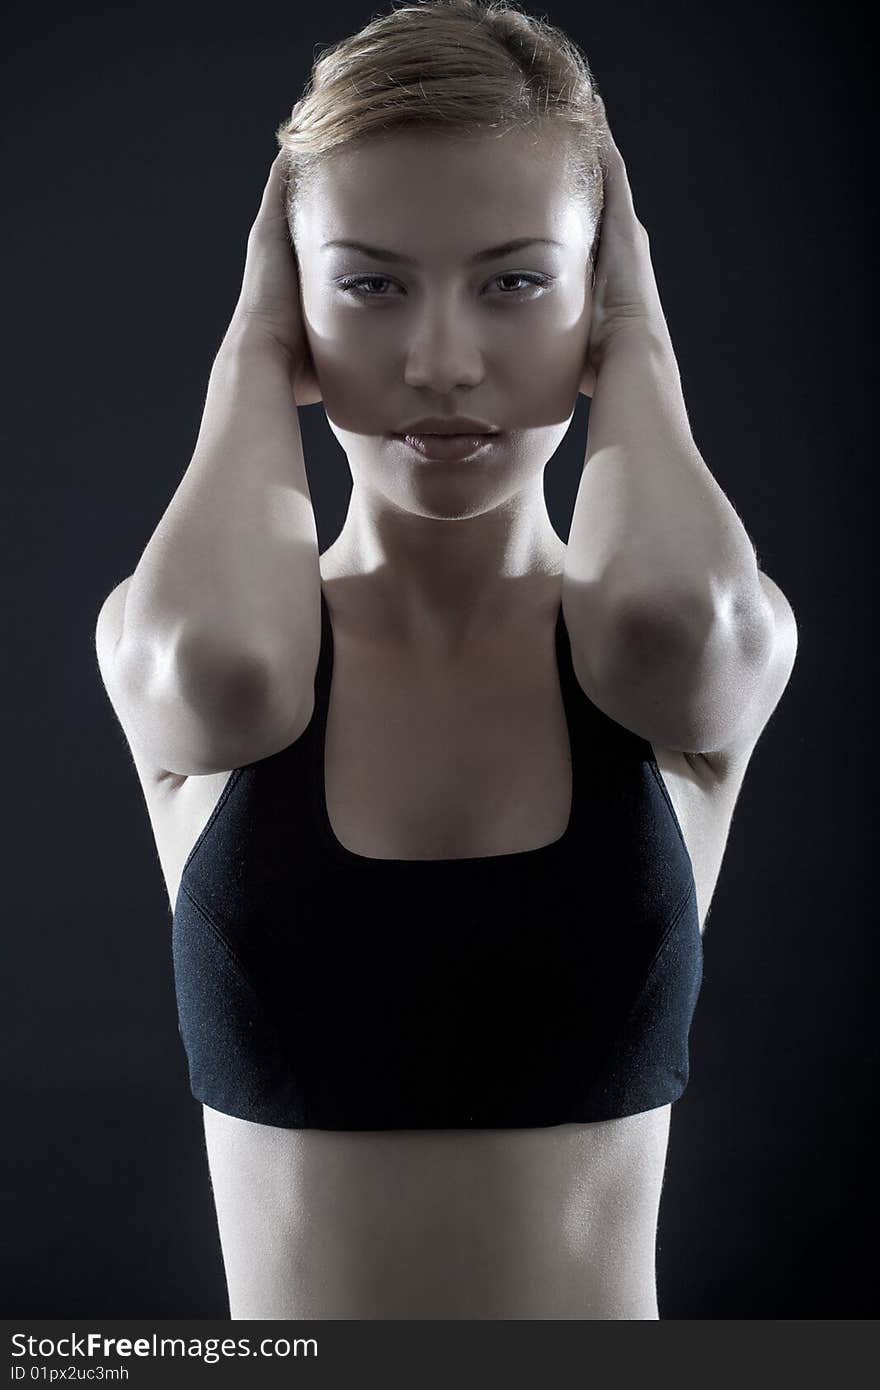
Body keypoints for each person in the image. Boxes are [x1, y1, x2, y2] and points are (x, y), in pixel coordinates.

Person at [95, 0, 798, 1319]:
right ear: (294, 307)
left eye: (515, 280)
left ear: (599, 297)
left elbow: (674, 626)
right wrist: (248, 349)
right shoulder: (185, 644)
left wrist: (639, 336)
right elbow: (224, 668)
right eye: (369, 282)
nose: (441, 361)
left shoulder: (685, 651)